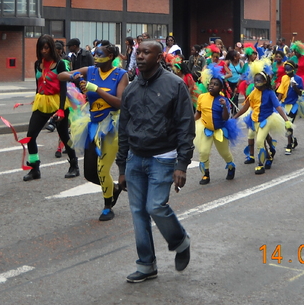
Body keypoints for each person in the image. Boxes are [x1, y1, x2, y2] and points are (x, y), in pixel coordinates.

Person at [116, 40, 194, 283]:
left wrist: (182, 164)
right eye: (138, 52)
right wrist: (121, 167)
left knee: (155, 207)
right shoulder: (131, 89)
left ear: (159, 57)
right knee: (138, 212)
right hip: (135, 159)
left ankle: (180, 241)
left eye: (145, 52)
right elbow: (123, 129)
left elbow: (185, 125)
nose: (139, 56)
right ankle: (146, 264)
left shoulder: (175, 85)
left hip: (163, 157)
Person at [61, 40, 128, 220]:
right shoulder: (90, 71)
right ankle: (113, 188)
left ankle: (107, 206)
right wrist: (75, 77)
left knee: (102, 169)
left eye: (100, 54)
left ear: (111, 56)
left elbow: (120, 103)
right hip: (92, 124)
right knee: (89, 174)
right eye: (95, 54)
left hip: (112, 126)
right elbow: (61, 76)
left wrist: (96, 89)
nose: (96, 57)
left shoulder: (121, 75)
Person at [16, 35, 80, 181]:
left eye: (46, 48)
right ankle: (34, 168)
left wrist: (61, 109)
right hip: (42, 102)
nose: (44, 51)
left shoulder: (60, 64)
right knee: (30, 136)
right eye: (41, 48)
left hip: (58, 102)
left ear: (51, 48)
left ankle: (74, 166)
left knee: (64, 135)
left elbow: (64, 88)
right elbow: (37, 85)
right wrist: (36, 99)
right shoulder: (38, 63)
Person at [234, 64, 290, 174]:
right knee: (263, 141)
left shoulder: (270, 93)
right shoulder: (253, 92)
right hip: (255, 120)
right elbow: (245, 108)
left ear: (265, 81)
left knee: (259, 141)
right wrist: (234, 117)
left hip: (267, 119)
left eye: (259, 80)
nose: (256, 83)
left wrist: (286, 120)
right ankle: (269, 156)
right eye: (255, 80)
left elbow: (277, 106)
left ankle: (260, 165)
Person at [194, 76, 240, 184]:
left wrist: (224, 106)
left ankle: (231, 167)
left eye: (215, 84)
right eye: (211, 83)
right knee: (203, 152)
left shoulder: (223, 100)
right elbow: (198, 113)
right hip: (207, 130)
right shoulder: (202, 97)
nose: (212, 86)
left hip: (220, 130)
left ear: (220, 88)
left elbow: (225, 117)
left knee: (224, 152)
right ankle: (205, 174)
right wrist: (190, 122)